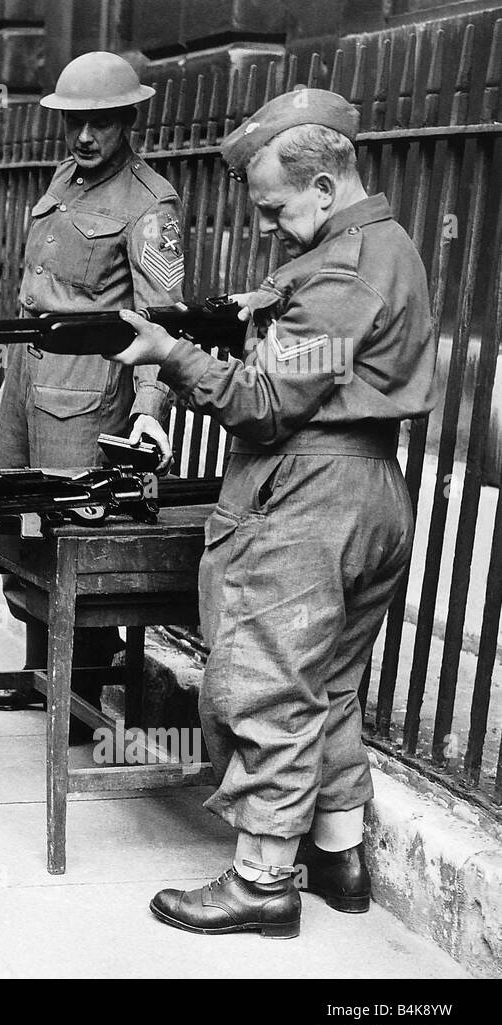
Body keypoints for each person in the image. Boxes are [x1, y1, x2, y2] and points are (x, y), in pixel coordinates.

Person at [107, 88, 437, 937]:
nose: (263, 224)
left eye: (274, 207)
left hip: (309, 498)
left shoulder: (340, 274)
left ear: (324, 186)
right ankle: (337, 858)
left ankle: (261, 881)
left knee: (265, 683)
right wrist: (258, 310)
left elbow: (264, 403)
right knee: (327, 683)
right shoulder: (375, 248)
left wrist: (169, 355)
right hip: (365, 493)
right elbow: (320, 349)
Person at [0, 52, 186, 730]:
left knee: (75, 533)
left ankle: (83, 700)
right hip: (29, 369)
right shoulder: (64, 179)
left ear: (127, 121)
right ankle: (44, 677)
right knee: (20, 518)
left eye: (99, 124)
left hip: (88, 385)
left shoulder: (150, 204)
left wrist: (150, 410)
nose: (84, 138)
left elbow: (161, 321)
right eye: (75, 123)